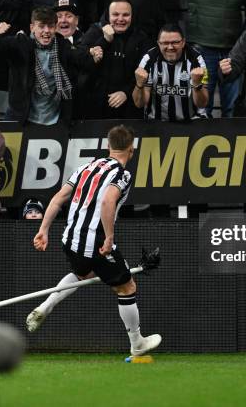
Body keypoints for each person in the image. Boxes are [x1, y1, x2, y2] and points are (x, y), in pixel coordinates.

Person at [28, 124, 162, 358]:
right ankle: (137, 342)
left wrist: (43, 230)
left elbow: (59, 198)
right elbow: (108, 202)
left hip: (69, 240)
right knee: (127, 286)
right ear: (131, 150)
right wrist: (109, 237)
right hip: (95, 242)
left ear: (108, 146)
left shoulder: (85, 167)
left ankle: (47, 305)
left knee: (83, 275)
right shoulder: (123, 174)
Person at [0, 6, 96, 125]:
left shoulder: (63, 46)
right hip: (22, 118)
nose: (46, 30)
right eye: (41, 26)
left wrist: (96, 51)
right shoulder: (19, 44)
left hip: (55, 120)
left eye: (50, 26)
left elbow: (84, 61)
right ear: (32, 27)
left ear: (55, 28)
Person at [80, 0, 154, 119]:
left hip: (129, 108)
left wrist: (126, 92)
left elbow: (147, 71)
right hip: (94, 107)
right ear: (108, 15)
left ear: (132, 16)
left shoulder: (141, 37)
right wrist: (104, 40)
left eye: (126, 15)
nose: (120, 19)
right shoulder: (94, 31)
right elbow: (82, 63)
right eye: (115, 14)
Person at [132, 23, 209, 121]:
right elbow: (139, 104)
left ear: (183, 42)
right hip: (157, 122)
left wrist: (197, 85)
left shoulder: (197, 60)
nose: (170, 47)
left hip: (191, 121)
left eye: (175, 42)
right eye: (165, 43)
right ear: (158, 43)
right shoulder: (148, 60)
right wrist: (139, 85)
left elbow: (202, 104)